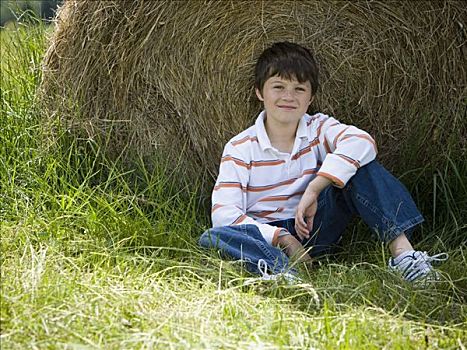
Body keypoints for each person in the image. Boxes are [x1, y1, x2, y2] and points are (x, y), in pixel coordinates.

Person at [199, 41, 447, 283]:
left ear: (311, 97)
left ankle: (405, 257)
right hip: (264, 236)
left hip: (314, 226)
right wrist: (282, 237)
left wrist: (315, 187)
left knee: (360, 166)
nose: (289, 97)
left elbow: (362, 142)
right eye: (278, 87)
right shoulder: (240, 148)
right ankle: (283, 270)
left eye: (299, 89)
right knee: (213, 236)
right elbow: (224, 214)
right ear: (259, 92)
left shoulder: (318, 128)